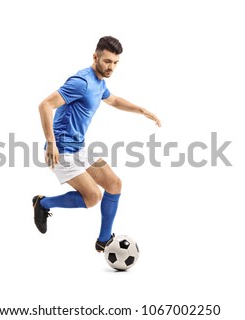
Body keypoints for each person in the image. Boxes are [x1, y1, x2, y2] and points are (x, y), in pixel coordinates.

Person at [33, 36, 161, 252]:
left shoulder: (99, 82)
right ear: (95, 57)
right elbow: (45, 105)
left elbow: (113, 100)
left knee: (114, 184)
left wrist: (141, 110)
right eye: (107, 61)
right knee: (92, 197)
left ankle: (103, 240)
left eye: (115, 63)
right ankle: (42, 203)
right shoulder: (81, 82)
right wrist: (50, 142)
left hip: (79, 146)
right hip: (61, 150)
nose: (111, 67)